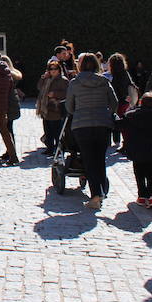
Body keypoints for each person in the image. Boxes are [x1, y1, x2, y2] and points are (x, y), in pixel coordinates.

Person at [65, 52, 119, 211]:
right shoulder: (104, 81)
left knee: (89, 160)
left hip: (82, 124)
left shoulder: (75, 83)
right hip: (102, 123)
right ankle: (100, 191)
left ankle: (96, 195)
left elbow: (69, 106)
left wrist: (78, 111)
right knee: (100, 159)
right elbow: (114, 103)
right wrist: (107, 112)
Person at [116, 93, 152, 208]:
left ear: (141, 102)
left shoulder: (131, 115)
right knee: (151, 174)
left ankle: (141, 196)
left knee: (139, 173)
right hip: (151, 150)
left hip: (135, 149)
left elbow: (120, 125)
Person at [36, 61, 69, 156]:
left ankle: (60, 150)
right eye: (51, 69)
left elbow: (67, 93)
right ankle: (50, 148)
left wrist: (55, 94)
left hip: (56, 109)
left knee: (57, 132)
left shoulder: (63, 80)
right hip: (46, 108)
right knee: (48, 131)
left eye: (55, 69)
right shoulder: (47, 79)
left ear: (59, 70)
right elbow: (39, 87)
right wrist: (43, 78)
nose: (53, 71)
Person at [107, 53, 137, 145]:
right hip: (126, 101)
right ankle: (125, 141)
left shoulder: (113, 76)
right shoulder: (125, 73)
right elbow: (130, 85)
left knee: (117, 120)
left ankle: (118, 141)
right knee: (124, 121)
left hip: (118, 101)